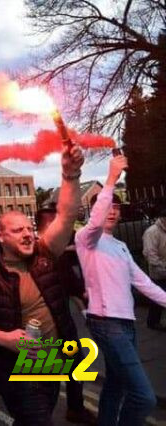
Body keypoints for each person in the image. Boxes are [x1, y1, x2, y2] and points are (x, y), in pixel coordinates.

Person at [0, 145, 85, 426]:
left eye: (29, 228)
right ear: (1, 237)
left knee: (35, 416)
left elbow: (66, 215)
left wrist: (70, 174)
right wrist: (5, 339)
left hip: (52, 357)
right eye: (19, 231)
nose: (28, 234)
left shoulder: (44, 252)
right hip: (15, 367)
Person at [76, 155, 166, 425]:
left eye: (117, 207)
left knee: (115, 386)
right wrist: (112, 178)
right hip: (106, 323)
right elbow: (94, 223)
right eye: (108, 207)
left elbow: (144, 283)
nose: (113, 211)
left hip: (127, 324)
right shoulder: (86, 239)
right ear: (96, 211)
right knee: (144, 397)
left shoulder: (121, 246)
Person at [35, 207, 96, 425]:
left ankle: (75, 408)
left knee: (75, 364)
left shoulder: (57, 254)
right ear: (46, 226)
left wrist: (84, 300)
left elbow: (70, 282)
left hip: (64, 324)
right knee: (43, 381)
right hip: (40, 329)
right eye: (56, 223)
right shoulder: (32, 253)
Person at [143, 207, 166, 330]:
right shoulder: (152, 232)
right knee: (157, 298)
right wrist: (162, 267)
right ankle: (153, 322)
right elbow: (150, 254)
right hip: (158, 271)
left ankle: (153, 321)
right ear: (163, 219)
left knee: (158, 297)